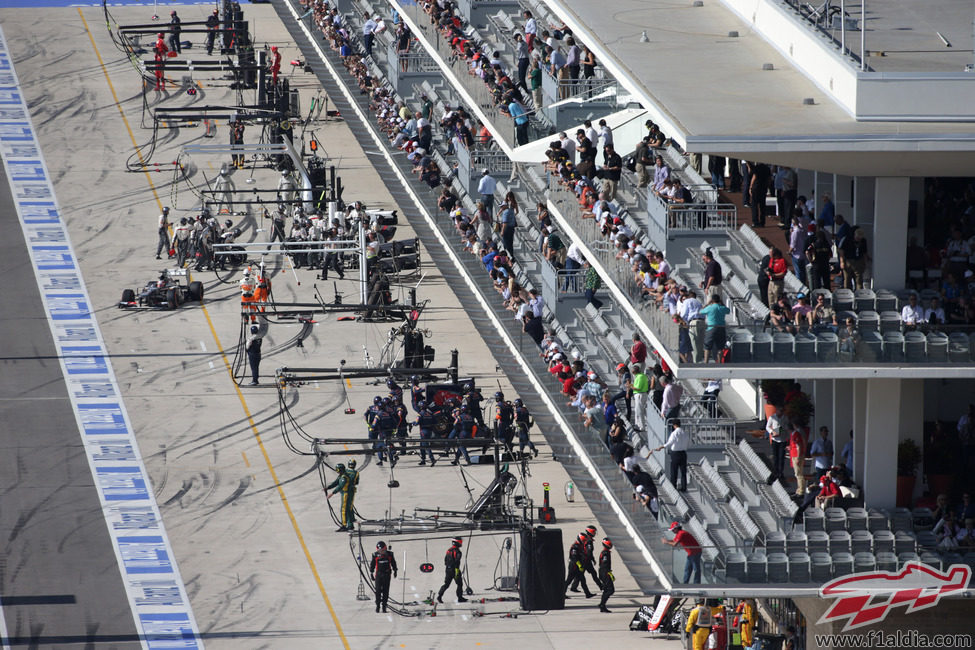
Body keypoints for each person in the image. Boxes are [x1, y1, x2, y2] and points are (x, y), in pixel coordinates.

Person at [656, 419, 689, 491]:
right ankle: (684, 487)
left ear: (674, 425)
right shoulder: (685, 433)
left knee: (674, 471)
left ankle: (673, 487)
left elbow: (669, 443)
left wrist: (662, 447)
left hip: (675, 454)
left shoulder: (674, 433)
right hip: (683, 453)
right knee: (683, 472)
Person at [698, 294, 730, 363]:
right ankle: (719, 362)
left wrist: (707, 304)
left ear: (712, 300)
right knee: (720, 347)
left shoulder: (710, 307)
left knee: (707, 346)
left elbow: (700, 311)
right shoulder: (722, 308)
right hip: (721, 328)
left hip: (711, 328)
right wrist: (722, 304)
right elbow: (728, 310)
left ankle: (706, 362)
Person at [325, 462, 355, 531]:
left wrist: (332, 493)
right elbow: (336, 482)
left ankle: (344, 525)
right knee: (348, 510)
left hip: (346, 494)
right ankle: (350, 525)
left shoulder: (343, 477)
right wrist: (328, 487)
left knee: (344, 510)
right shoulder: (342, 476)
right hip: (347, 494)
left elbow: (340, 486)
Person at [564, 532, 596, 598]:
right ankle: (561, 594)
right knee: (568, 581)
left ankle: (588, 594)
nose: (584, 542)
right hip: (573, 566)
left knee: (583, 580)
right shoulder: (575, 547)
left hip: (579, 566)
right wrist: (579, 564)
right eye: (583, 540)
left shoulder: (580, 546)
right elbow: (574, 557)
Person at [437, 537, 467, 604]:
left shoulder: (449, 550)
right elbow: (457, 560)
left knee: (446, 584)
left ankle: (439, 596)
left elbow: (445, 560)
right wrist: (456, 570)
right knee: (459, 584)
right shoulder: (458, 551)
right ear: (458, 543)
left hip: (448, 569)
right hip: (455, 569)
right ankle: (460, 598)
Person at [371, 541, 398, 613]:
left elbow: (393, 562)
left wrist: (395, 570)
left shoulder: (390, 554)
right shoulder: (375, 555)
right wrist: (371, 573)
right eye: (380, 550)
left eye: (383, 550)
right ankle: (378, 606)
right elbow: (372, 564)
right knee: (378, 591)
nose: (382, 552)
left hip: (387, 574)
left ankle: (384, 606)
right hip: (379, 575)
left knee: (386, 591)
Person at [767, 406, 786, 482]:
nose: (780, 413)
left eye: (782, 411)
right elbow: (767, 427)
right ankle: (776, 471)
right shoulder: (772, 417)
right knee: (776, 457)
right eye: (779, 411)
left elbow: (785, 427)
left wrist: (780, 431)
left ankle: (781, 472)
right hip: (775, 440)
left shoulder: (785, 418)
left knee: (781, 457)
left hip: (783, 439)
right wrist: (772, 432)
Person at [597, 537, 615, 613]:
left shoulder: (605, 552)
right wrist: (608, 573)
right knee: (610, 590)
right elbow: (604, 564)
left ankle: (602, 605)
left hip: (603, 572)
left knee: (606, 589)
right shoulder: (605, 553)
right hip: (604, 573)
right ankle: (602, 604)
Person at [631, 364, 649, 431]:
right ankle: (637, 425)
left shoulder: (640, 377)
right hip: (639, 394)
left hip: (640, 394)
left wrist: (631, 386)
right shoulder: (640, 376)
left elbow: (638, 388)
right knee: (637, 410)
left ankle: (641, 427)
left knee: (639, 411)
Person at [789, 427, 807, 496]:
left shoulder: (796, 435)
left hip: (796, 456)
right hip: (794, 455)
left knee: (799, 474)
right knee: (797, 474)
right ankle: (799, 489)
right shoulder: (793, 434)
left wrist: (798, 458)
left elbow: (799, 446)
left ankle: (801, 490)